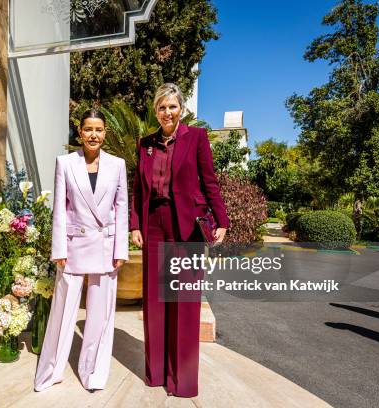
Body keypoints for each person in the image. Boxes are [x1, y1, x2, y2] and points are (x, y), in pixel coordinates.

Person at [129, 83, 230, 398]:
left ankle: (182, 381)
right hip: (154, 223)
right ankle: (157, 373)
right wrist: (135, 224)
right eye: (161, 107)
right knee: (156, 302)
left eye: (172, 107)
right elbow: (138, 190)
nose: (167, 112)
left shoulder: (196, 138)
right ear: (156, 111)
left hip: (186, 225)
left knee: (184, 302)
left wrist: (222, 220)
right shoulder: (145, 144)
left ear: (181, 109)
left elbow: (209, 180)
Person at [34, 109, 129, 393]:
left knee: (99, 316)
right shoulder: (64, 163)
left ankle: (93, 372)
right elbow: (60, 210)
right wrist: (58, 247)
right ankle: (51, 370)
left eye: (98, 129)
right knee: (62, 313)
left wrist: (120, 248)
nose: (93, 135)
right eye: (88, 129)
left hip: (105, 247)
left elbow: (121, 207)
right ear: (80, 133)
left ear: (105, 133)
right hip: (73, 247)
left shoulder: (118, 165)